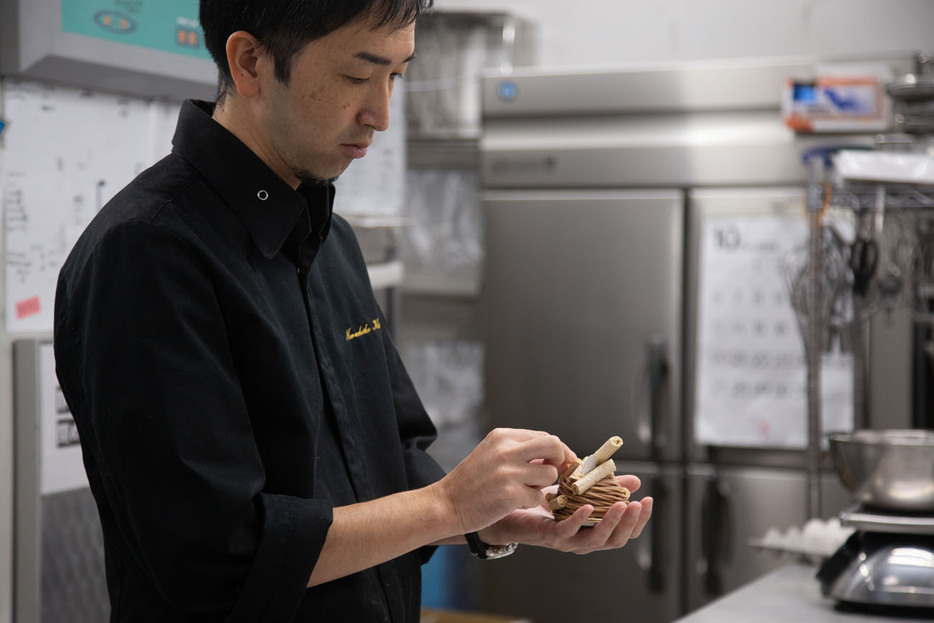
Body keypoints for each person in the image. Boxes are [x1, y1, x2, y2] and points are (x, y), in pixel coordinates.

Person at [52, 0, 654, 621]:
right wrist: (448, 504)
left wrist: (492, 520)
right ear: (251, 61)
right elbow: (218, 557)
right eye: (356, 75)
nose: (382, 114)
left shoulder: (329, 240)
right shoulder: (148, 253)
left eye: (395, 75)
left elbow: (390, 462)